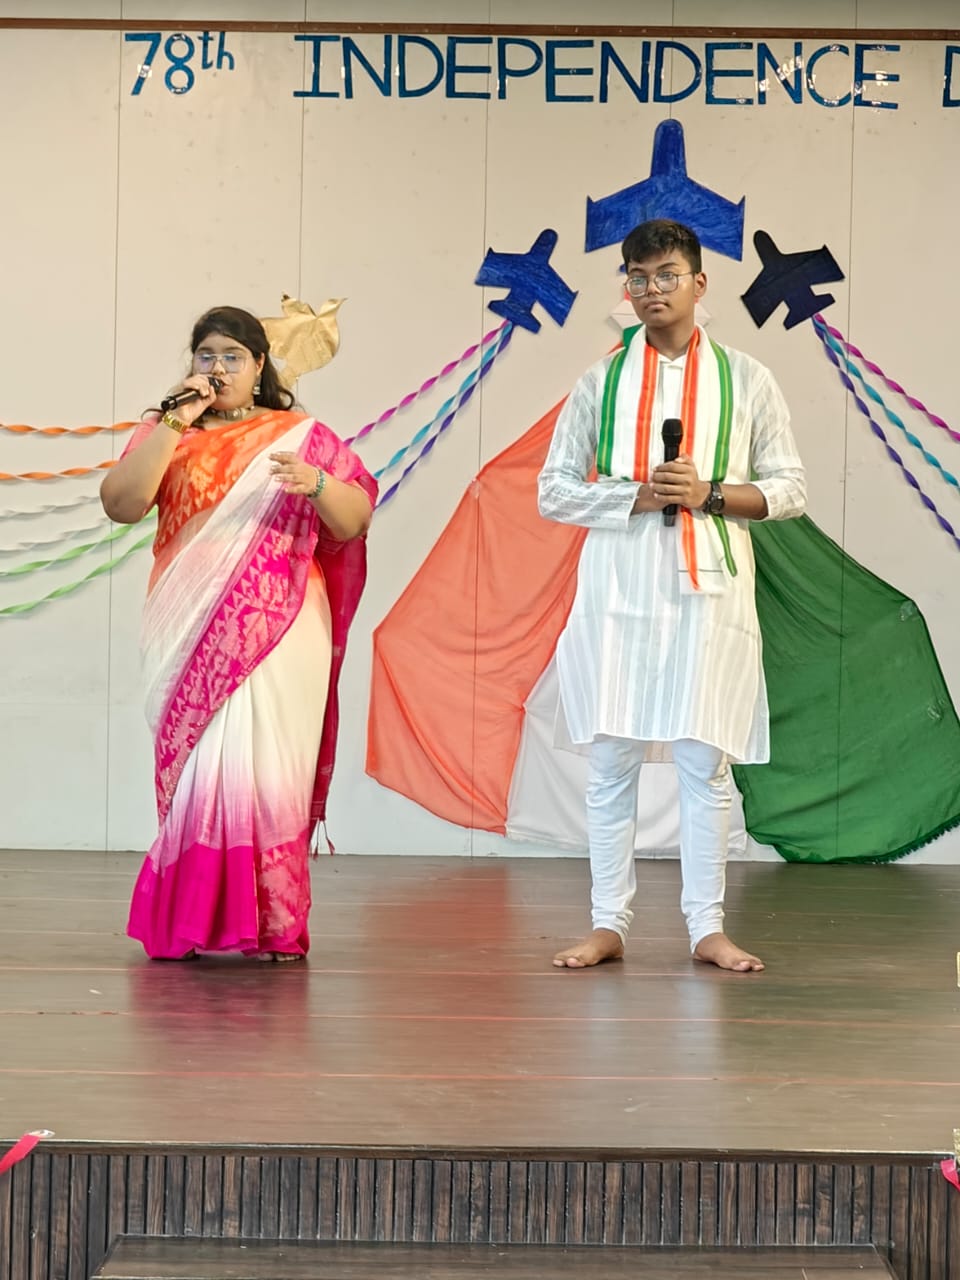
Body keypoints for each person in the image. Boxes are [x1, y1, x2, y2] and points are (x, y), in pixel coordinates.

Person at [537, 219, 806, 973]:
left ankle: (706, 928)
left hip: (709, 590)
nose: (652, 289)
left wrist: (709, 493)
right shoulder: (599, 383)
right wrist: (640, 496)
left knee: (703, 763)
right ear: (625, 287)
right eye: (638, 277)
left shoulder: (747, 379)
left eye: (666, 275)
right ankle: (607, 923)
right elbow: (553, 491)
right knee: (610, 762)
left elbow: (790, 489)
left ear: (698, 283)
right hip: (619, 586)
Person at [101, 306, 377, 961]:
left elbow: (354, 520)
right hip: (187, 626)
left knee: (270, 768)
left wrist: (316, 483)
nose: (218, 367)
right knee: (200, 770)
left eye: (233, 356)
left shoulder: (300, 435)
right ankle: (189, 921)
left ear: (259, 367)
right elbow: (122, 504)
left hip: (281, 626)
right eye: (207, 355)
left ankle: (274, 924)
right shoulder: (167, 429)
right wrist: (174, 421)